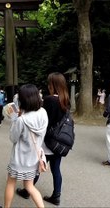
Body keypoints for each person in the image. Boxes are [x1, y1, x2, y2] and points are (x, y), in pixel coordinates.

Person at [16, 72, 70, 206]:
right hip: (59, 142)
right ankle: (56, 195)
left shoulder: (50, 100)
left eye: (49, 83)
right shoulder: (65, 100)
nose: (48, 85)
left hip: (47, 141)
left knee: (37, 166)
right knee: (56, 169)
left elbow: (41, 119)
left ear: (53, 85)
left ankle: (27, 190)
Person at [0, 84, 48, 208]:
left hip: (19, 159)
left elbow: (13, 138)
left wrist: (14, 119)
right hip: (34, 158)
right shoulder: (43, 112)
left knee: (11, 183)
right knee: (30, 186)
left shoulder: (22, 120)